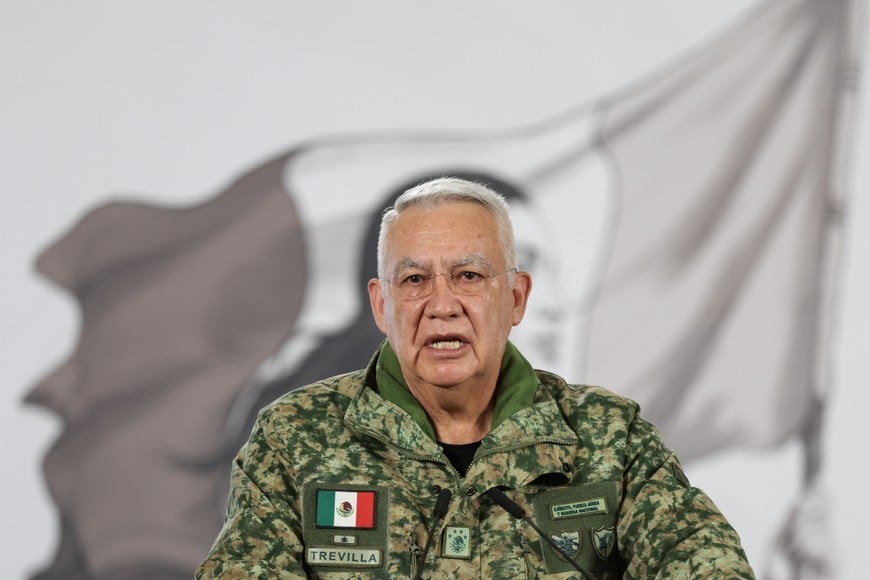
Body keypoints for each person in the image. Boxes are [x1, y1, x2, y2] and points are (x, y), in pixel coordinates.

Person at [196, 176, 754, 578]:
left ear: (515, 297)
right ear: (381, 305)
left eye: (468, 275)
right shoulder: (294, 437)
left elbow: (708, 565)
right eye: (413, 279)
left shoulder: (610, 436)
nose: (441, 305)